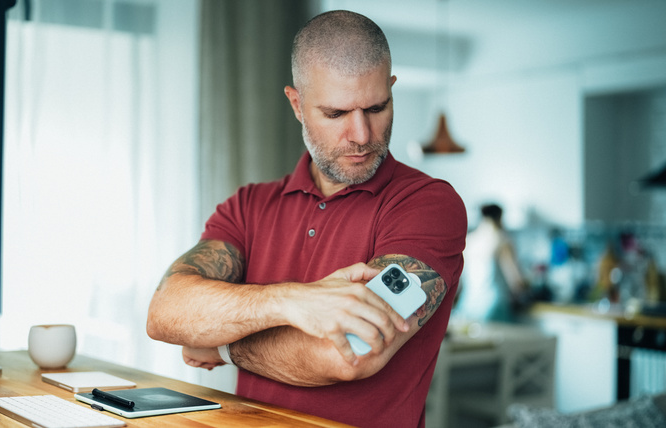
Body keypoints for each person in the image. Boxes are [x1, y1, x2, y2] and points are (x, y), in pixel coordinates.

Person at [146, 10, 466, 428]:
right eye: (335, 114)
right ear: (297, 104)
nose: (362, 135)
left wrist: (222, 347)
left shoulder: (427, 205)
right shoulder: (249, 205)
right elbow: (165, 311)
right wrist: (293, 300)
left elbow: (349, 353)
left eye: (376, 107)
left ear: (391, 90)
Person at [453, 203, 528, 322]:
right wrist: (527, 284)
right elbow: (516, 281)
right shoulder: (502, 240)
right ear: (499, 217)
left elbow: (459, 280)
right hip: (493, 307)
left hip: (468, 305)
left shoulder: (469, 241)